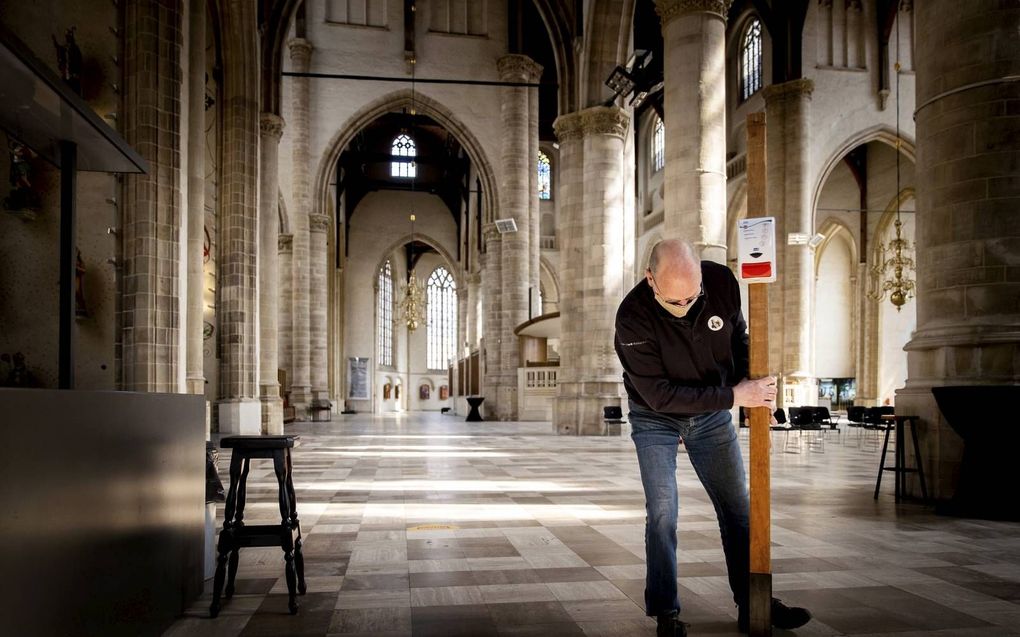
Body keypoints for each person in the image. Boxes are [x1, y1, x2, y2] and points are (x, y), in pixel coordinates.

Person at [614, 240, 811, 636]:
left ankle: (753, 603)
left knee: (738, 507)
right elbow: (660, 395)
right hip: (656, 417)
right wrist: (737, 396)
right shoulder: (632, 317)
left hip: (711, 414)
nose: (685, 307)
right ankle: (666, 613)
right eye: (674, 301)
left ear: (702, 277)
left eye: (692, 296)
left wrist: (760, 393)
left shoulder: (721, 281)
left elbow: (739, 340)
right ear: (650, 279)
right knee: (664, 511)